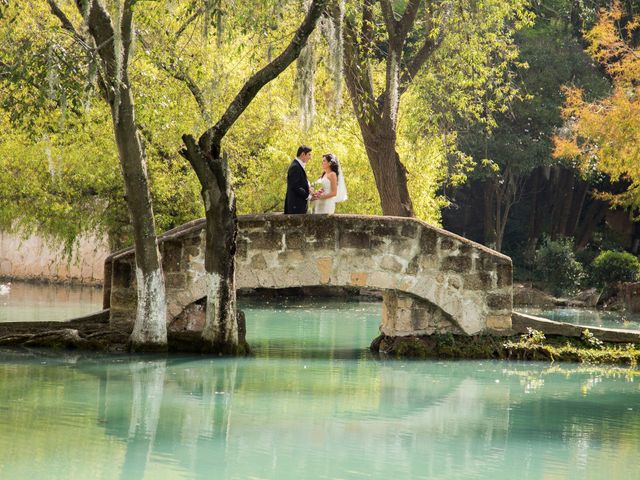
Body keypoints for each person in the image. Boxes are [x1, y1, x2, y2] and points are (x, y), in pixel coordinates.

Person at [284, 145, 314, 214]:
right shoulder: (295, 167)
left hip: (298, 206)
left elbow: (301, 183)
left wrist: (309, 188)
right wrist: (309, 196)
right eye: (309, 155)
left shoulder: (298, 166)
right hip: (295, 207)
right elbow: (295, 187)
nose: (310, 158)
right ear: (303, 154)